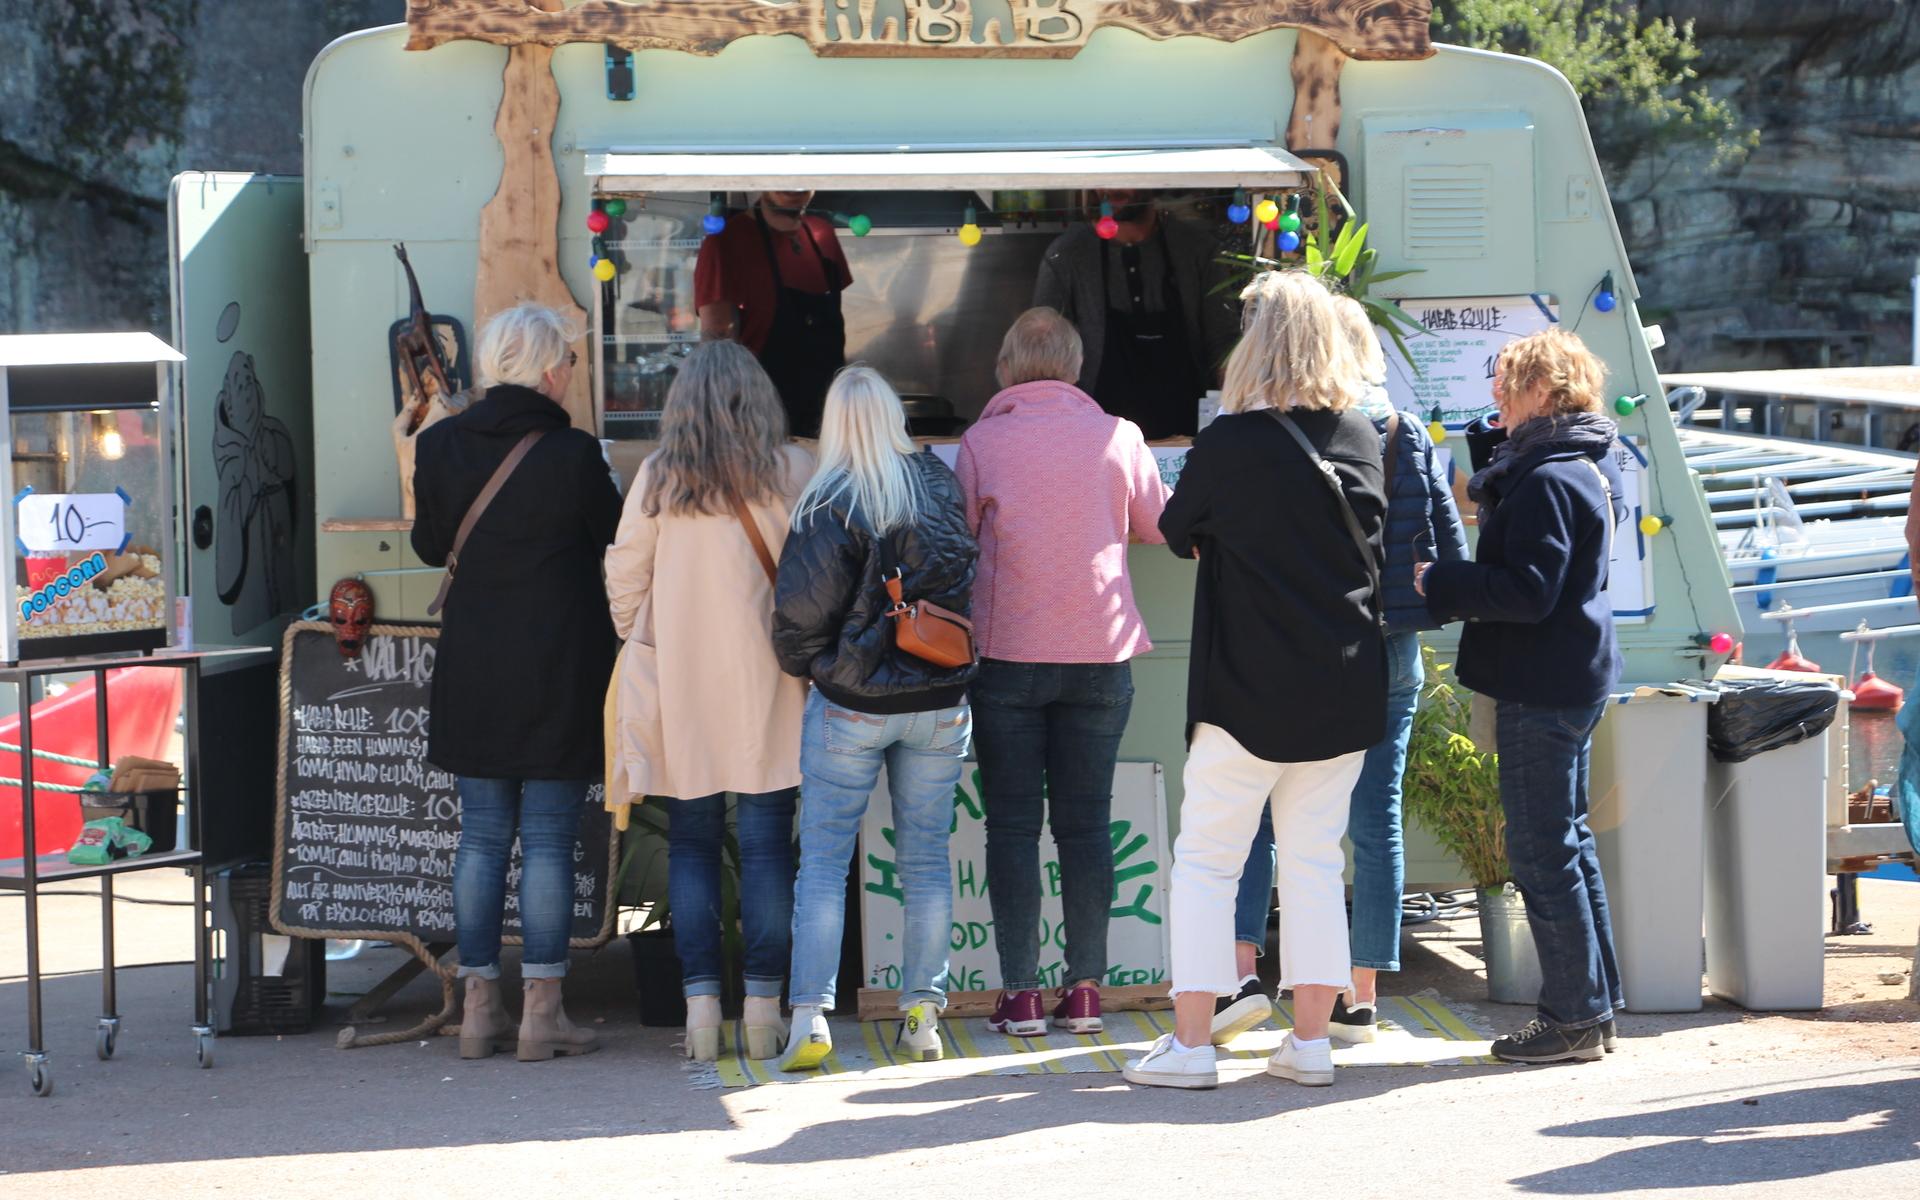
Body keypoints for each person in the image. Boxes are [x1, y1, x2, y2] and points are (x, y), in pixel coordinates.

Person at [1126, 270, 1387, 1091]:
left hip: (1244, 688)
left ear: (1256, 346)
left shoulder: (1233, 443)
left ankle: (1194, 1048)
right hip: (1343, 688)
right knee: (1313, 863)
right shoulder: (1362, 434)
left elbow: (1175, 526)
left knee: (1207, 861)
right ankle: (1310, 1045)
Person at [1212, 295, 1469, 1046]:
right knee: (1373, 822)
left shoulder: (1290, 432)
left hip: (1307, 648)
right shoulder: (1403, 432)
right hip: (1391, 651)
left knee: (1262, 807)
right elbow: (1449, 554)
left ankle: (1240, 976)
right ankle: (1362, 997)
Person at [411, 303, 621, 1062]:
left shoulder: (439, 446)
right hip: (561, 665)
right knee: (550, 841)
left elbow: (433, 547)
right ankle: (542, 1012)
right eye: (565, 360)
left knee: (482, 839)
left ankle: (477, 1010)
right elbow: (613, 535)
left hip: (474, 666)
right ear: (544, 368)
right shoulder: (575, 454)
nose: (569, 371)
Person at [953, 307, 1170, 1037]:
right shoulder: (1122, 437)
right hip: (1100, 655)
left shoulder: (982, 441)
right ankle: (1085, 993)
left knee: (1012, 827)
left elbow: (958, 539)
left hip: (1007, 654)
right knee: (1086, 828)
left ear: (1008, 367)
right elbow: (1155, 527)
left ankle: (1019, 996)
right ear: (1075, 368)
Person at [1416, 327, 1627, 1065]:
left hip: (1542, 680)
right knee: (1568, 843)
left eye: (1508, 384)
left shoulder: (1547, 478)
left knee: (1542, 853)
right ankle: (1594, 1007)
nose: (1497, 396)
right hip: (1574, 673)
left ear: (1544, 392)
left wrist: (1437, 583)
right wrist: (1496, 444)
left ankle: (1571, 1016)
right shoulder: (1581, 464)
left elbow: (1526, 591)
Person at [603, 341, 813, 1063]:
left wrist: (648, 638)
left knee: (689, 844)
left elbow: (624, 573)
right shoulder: (790, 470)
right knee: (765, 848)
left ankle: (698, 1013)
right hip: (772, 685)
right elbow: (819, 575)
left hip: (680, 687)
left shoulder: (660, 477)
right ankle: (762, 1009)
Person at [771, 366, 978, 1071]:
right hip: (939, 700)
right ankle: (923, 1016)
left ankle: (811, 1020)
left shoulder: (827, 498)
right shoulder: (940, 483)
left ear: (834, 425)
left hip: (852, 704)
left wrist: (810, 666)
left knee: (825, 863)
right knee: (925, 860)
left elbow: (800, 612)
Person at [1032, 189, 1236, 440]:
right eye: (1103, 177)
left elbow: (1224, 342)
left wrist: (1233, 423)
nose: (1112, 187)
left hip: (1187, 436)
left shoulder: (1197, 248)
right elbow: (1044, 355)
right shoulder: (1066, 255)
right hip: (1096, 440)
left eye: (1126, 177)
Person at [696, 189, 853, 439]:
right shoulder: (726, 242)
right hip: (760, 424)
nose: (792, 184)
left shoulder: (822, 234)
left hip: (829, 419)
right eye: (782, 172)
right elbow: (717, 347)